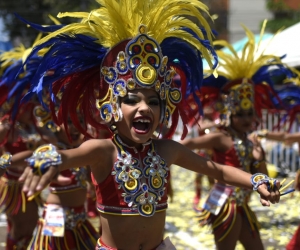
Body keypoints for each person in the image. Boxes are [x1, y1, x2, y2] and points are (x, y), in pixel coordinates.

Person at [16, 1, 280, 249]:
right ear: (113, 107)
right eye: (131, 99)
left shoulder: (167, 150)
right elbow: (66, 156)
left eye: (153, 101)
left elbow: (218, 171)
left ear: (163, 109)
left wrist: (257, 180)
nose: (144, 107)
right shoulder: (103, 151)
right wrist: (46, 157)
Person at [181, 21, 295, 250]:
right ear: (230, 114)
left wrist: (258, 158)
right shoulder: (220, 138)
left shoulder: (251, 140)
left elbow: (260, 175)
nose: (246, 119)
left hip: (244, 205)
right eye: (240, 114)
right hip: (226, 205)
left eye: (249, 113)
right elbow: (188, 143)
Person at [27, 109, 99, 249]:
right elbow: (40, 156)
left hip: (80, 219)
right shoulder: (53, 151)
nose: (76, 126)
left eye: (81, 121)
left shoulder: (81, 152)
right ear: (56, 125)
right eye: (70, 122)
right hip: (56, 218)